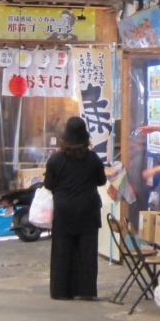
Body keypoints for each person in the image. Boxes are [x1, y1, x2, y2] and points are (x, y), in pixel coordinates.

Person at [45, 117, 107, 301]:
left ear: (64, 138)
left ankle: (61, 291)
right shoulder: (93, 159)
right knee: (87, 251)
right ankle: (86, 290)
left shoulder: (55, 160)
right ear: (85, 139)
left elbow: (48, 184)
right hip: (88, 209)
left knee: (62, 250)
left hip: (63, 210)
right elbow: (101, 181)